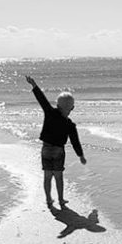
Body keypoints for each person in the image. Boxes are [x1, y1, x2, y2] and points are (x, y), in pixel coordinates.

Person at [26, 76, 86, 208]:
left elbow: (42, 100)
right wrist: (80, 155)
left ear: (57, 105)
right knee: (58, 177)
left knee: (47, 176)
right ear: (72, 108)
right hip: (58, 151)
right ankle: (61, 200)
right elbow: (75, 141)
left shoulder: (50, 112)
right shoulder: (70, 125)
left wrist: (34, 85)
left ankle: (48, 199)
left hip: (46, 149)